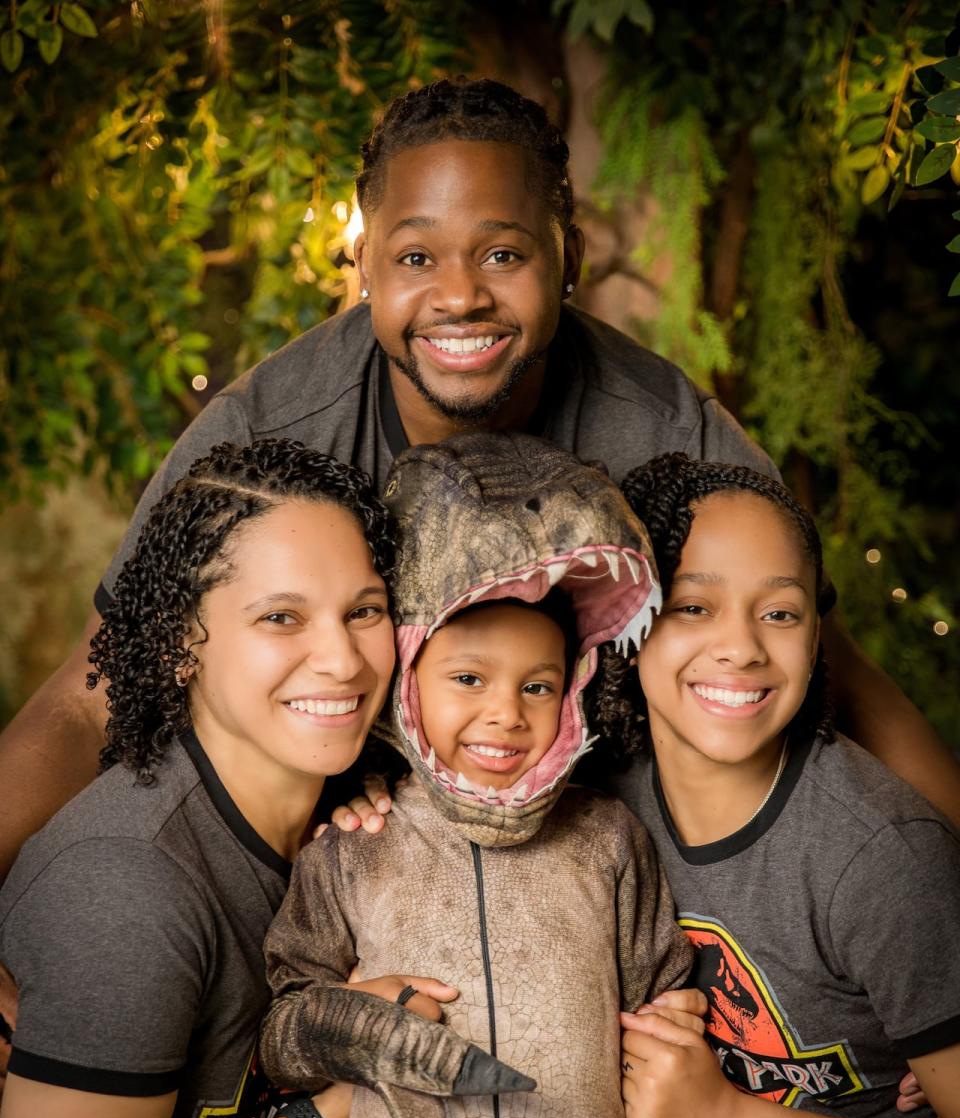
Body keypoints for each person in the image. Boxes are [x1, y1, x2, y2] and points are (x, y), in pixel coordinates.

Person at [1, 78, 957, 897]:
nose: (459, 295)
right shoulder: (272, 431)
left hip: (600, 859)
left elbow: (835, 673)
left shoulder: (660, 425)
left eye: (504, 253)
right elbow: (93, 695)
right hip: (350, 853)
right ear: (365, 266)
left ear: (567, 259)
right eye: (415, 258)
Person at [257, 431, 730, 1118]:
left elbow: (668, 1035)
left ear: (573, 690)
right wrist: (352, 1025)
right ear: (412, 679)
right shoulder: (355, 844)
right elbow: (282, 1024)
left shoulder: (609, 840)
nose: (505, 715)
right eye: (468, 679)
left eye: (537, 685)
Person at [0, 438, 445, 1118]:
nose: (340, 657)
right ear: (180, 643)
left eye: (364, 610)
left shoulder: (324, 825)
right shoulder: (133, 885)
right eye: (280, 617)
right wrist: (340, 1107)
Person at [608, 453, 960, 1118]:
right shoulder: (609, 808)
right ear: (626, 622)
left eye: (781, 611)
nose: (743, 648)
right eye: (694, 608)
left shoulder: (876, 858)